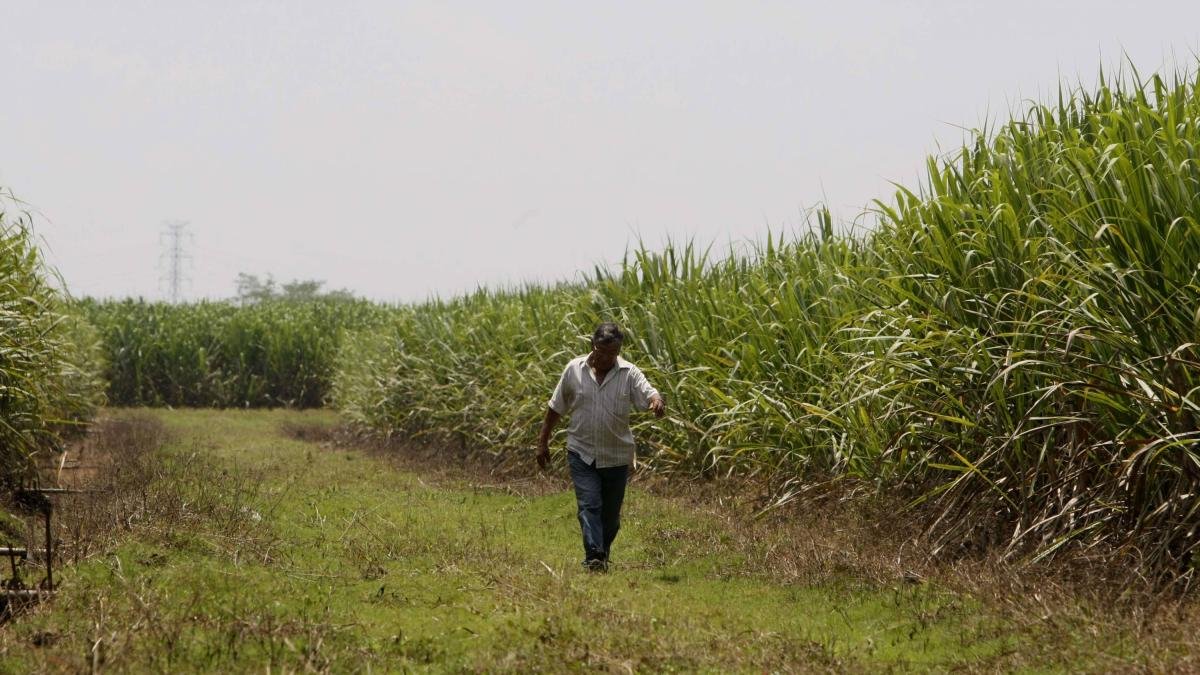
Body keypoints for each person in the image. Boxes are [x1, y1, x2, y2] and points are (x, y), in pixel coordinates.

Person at [536, 322, 665, 572]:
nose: (607, 358)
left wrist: (656, 402)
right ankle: (594, 555)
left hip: (616, 456)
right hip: (581, 452)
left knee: (611, 518)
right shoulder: (574, 370)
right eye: (602, 351)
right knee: (589, 504)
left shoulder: (628, 373)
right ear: (592, 346)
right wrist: (543, 442)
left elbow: (649, 392)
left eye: (613, 353)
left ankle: (602, 553)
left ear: (619, 352)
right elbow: (555, 407)